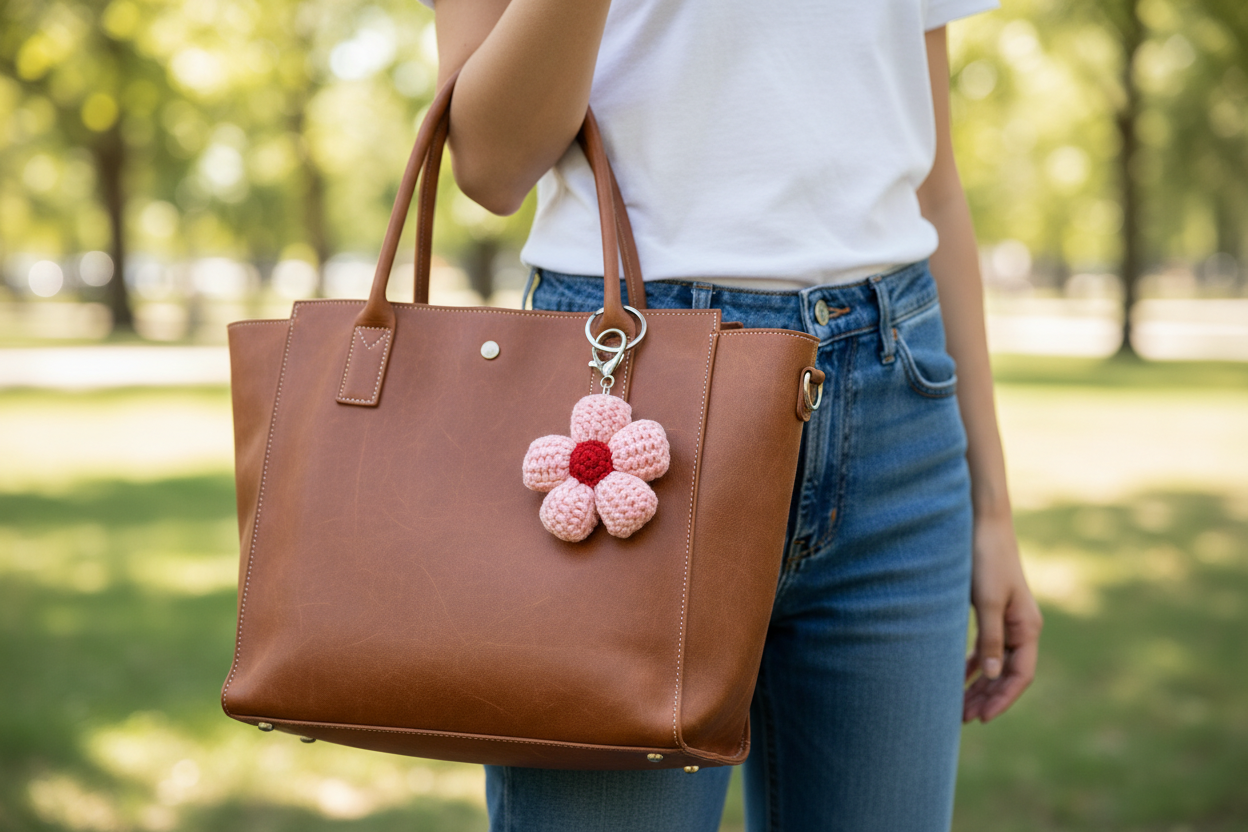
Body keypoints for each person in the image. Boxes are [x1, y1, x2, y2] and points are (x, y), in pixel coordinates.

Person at [424, 0, 1044, 829]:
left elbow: (935, 185)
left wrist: (991, 507)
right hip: (627, 383)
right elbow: (490, 166)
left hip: (894, 405)